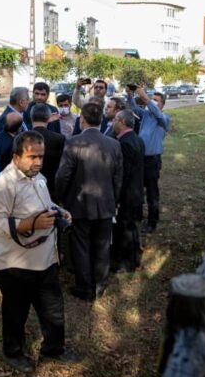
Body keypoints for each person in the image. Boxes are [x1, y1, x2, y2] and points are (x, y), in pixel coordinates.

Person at [0, 130, 80, 373]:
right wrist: (31, 225)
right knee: (16, 313)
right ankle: (13, 352)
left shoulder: (38, 177)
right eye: (31, 157)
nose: (37, 162)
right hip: (16, 264)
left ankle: (54, 349)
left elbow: (43, 204)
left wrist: (58, 210)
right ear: (16, 157)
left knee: (53, 309)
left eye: (41, 156)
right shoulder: (1, 185)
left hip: (45, 260)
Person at [55, 103, 122, 301]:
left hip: (80, 202)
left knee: (81, 245)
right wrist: (115, 200)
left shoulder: (74, 142)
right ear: (101, 120)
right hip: (106, 203)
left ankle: (85, 287)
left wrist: (61, 198)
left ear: (81, 119)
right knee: (102, 245)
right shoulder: (114, 144)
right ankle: (100, 284)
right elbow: (119, 177)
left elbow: (62, 175)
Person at [127, 86, 171, 234]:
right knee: (138, 187)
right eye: (152, 99)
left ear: (162, 105)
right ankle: (137, 215)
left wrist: (146, 99)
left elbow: (157, 113)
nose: (153, 102)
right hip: (140, 159)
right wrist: (130, 95)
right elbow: (133, 107)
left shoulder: (164, 118)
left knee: (152, 192)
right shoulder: (146, 115)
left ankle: (153, 221)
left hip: (152, 160)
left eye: (156, 100)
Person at [109, 110, 145, 273]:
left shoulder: (124, 143)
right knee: (131, 228)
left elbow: (123, 174)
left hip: (127, 194)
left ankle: (127, 262)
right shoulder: (137, 139)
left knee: (125, 229)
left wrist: (117, 197)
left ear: (122, 121)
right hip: (136, 191)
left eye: (115, 119)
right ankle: (134, 258)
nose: (112, 122)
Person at [30, 104, 66, 200]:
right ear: (48, 118)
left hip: (27, 189)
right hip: (51, 189)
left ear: (31, 117)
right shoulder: (59, 139)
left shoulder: (22, 138)